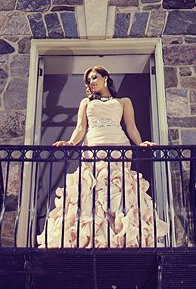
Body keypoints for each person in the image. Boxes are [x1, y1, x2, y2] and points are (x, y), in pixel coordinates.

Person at [35, 66, 167, 248]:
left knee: (118, 192)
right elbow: (80, 128)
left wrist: (140, 143)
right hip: (93, 150)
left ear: (105, 78)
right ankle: (95, 240)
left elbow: (131, 127)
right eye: (89, 80)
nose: (92, 82)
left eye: (95, 77)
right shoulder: (86, 103)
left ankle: (118, 239)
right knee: (92, 193)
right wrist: (71, 144)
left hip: (119, 149)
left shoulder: (123, 102)